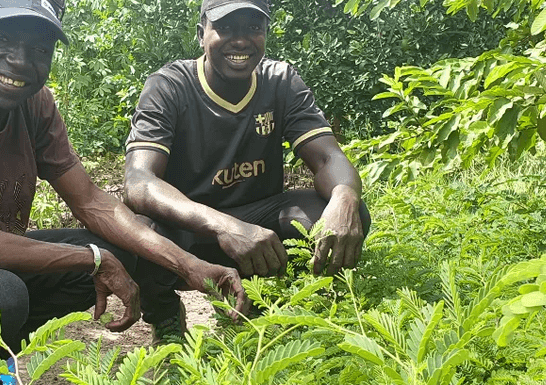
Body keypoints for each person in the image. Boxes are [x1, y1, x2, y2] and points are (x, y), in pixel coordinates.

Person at [0, 0, 247, 385]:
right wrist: (90, 258)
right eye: (3, 39)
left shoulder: (34, 102)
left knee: (123, 243)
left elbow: (92, 201)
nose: (20, 61)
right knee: (2, 291)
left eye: (39, 49)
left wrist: (190, 265)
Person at [123, 0, 372, 339]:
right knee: (135, 231)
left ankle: (272, 301)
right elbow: (139, 181)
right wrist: (225, 225)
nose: (240, 41)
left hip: (258, 227)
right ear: (201, 34)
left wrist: (344, 200)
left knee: (340, 210)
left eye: (253, 28)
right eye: (225, 28)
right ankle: (165, 316)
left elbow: (328, 157)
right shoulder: (170, 86)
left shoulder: (280, 81)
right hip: (188, 227)